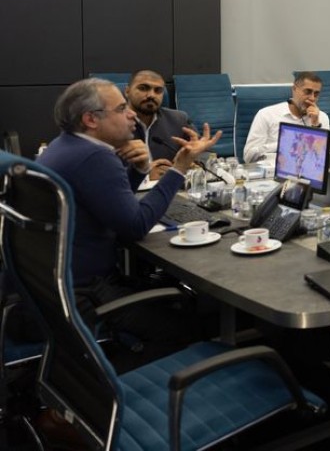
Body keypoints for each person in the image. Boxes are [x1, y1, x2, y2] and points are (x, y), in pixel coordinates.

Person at [24, 79, 220, 354]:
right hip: (80, 296)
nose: (131, 115)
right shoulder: (95, 157)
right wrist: (179, 169)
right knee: (196, 322)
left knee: (175, 293)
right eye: (120, 109)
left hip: (43, 291)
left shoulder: (66, 145)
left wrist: (138, 170)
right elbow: (135, 225)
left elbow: (109, 204)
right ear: (91, 119)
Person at [243, 72, 330, 162]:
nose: (312, 98)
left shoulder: (321, 117)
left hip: (308, 168)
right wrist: (282, 144)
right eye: (307, 92)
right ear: (294, 89)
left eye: (316, 94)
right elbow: (248, 156)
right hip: (274, 168)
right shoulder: (267, 114)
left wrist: (315, 125)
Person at [125, 69, 194, 180]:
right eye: (143, 88)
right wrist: (144, 176)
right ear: (127, 91)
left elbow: (203, 155)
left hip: (171, 187)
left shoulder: (179, 119)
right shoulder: (111, 124)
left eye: (158, 90)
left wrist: (195, 158)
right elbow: (103, 172)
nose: (151, 95)